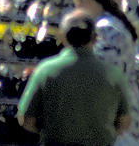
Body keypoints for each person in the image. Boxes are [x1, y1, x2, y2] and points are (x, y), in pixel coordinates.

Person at [17, 9, 131, 146]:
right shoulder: (113, 74)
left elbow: (25, 119)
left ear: (61, 37)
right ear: (95, 38)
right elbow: (124, 121)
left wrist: (47, 131)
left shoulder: (45, 70)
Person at [73, 0, 139, 146]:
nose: (78, 11)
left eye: (80, 5)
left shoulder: (105, 28)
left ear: (89, 1)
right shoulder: (112, 23)